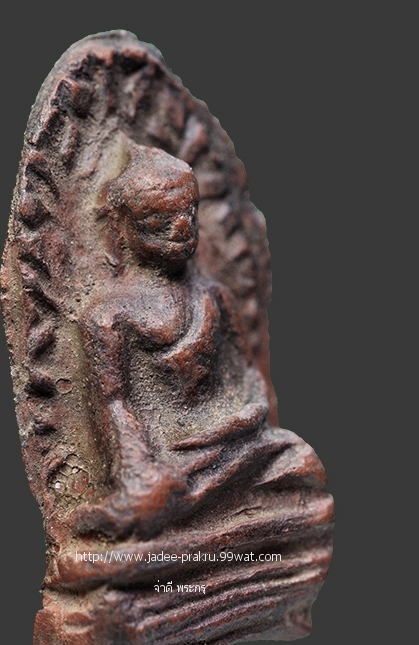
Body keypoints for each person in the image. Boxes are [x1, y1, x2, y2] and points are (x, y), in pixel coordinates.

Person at [69, 144, 290, 540]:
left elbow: (247, 375)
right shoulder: (109, 317)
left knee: (299, 461)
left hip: (230, 444)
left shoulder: (214, 297)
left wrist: (251, 412)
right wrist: (140, 470)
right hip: (168, 457)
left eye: (189, 213)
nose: (181, 229)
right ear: (122, 229)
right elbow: (114, 406)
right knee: (153, 501)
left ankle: (210, 523)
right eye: (159, 221)